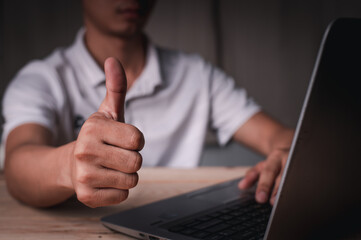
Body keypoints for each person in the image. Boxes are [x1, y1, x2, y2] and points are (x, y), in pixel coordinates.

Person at [2, 0, 294, 208]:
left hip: (177, 222)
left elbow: (280, 137)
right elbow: (17, 165)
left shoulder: (196, 74)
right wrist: (69, 165)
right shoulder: (42, 79)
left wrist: (287, 155)